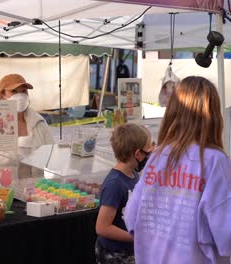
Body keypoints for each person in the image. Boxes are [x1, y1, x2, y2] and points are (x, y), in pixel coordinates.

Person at [125, 76, 231, 264]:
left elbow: (131, 217)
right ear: (213, 114)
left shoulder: (157, 156)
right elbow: (225, 232)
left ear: (173, 111)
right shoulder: (214, 160)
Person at [0, 74, 53, 198]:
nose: (20, 96)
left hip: (36, 193)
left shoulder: (39, 122)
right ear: (2, 96)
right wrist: (17, 152)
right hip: (4, 193)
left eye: (24, 91)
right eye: (14, 91)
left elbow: (51, 152)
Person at [95, 123, 153, 264]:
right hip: (114, 254)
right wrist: (136, 237)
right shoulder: (115, 184)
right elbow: (102, 227)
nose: (151, 154)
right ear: (138, 154)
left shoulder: (133, 175)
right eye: (148, 150)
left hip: (129, 250)